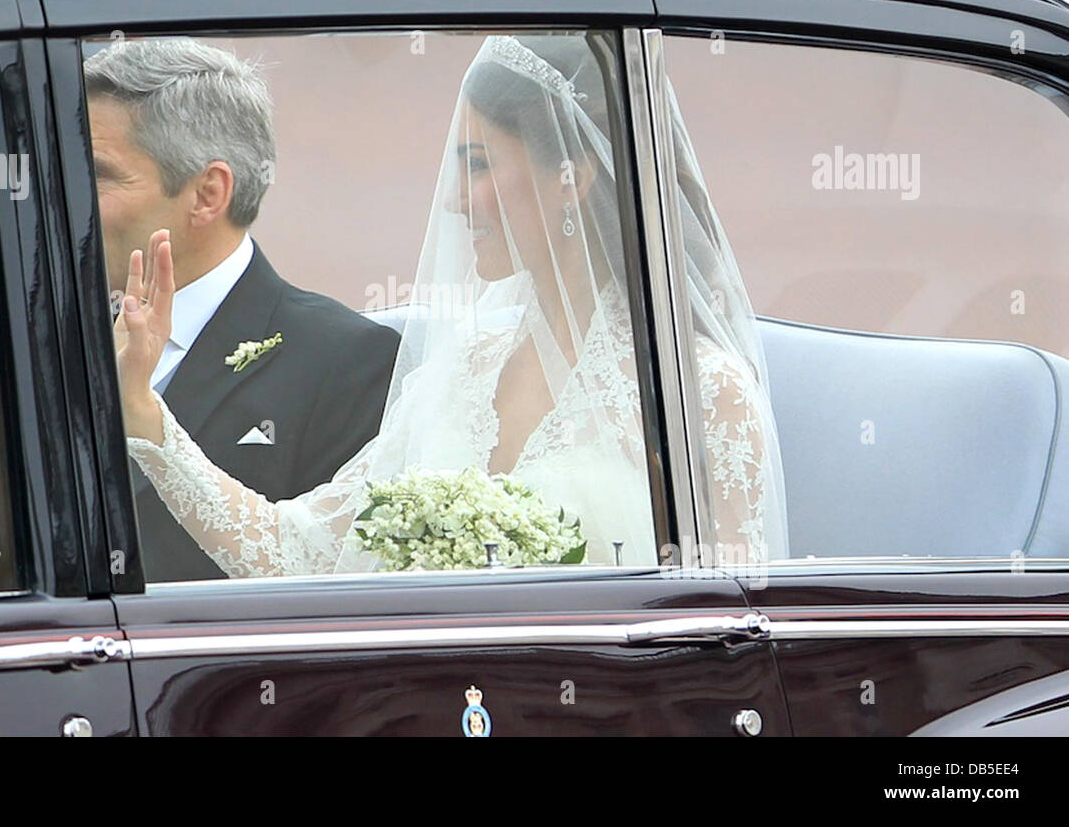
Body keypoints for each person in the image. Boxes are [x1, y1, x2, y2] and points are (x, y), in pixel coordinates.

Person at [116, 33, 788, 577]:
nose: (454, 200)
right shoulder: (462, 370)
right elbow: (300, 551)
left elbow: (735, 634)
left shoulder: (700, 393)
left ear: (571, 178)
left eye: (478, 164)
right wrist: (146, 414)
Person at [85, 38, 400, 581]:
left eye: (99, 173)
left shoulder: (350, 360)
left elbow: (336, 590)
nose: (61, 197)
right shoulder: (53, 334)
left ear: (208, 193)